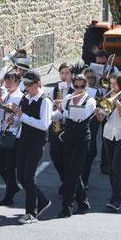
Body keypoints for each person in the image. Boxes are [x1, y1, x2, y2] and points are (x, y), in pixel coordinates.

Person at [9, 70, 52, 225]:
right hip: (24, 140)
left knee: (29, 176)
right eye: (24, 84)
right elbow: (21, 121)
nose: (26, 88)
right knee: (20, 176)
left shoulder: (45, 100)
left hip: (37, 142)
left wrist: (22, 116)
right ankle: (42, 201)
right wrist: (13, 116)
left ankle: (31, 213)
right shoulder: (25, 98)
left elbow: (44, 124)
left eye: (29, 84)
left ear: (37, 84)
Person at [52, 74, 96, 218]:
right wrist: (49, 113)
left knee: (73, 172)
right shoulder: (69, 97)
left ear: (86, 86)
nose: (78, 89)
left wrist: (61, 109)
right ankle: (83, 203)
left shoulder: (90, 101)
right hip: (69, 138)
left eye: (81, 86)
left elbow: (79, 117)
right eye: (76, 86)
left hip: (82, 138)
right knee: (71, 171)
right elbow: (59, 115)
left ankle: (67, 207)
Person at [96, 71, 121, 212]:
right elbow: (102, 118)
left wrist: (117, 103)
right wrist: (97, 112)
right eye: (111, 83)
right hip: (108, 135)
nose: (112, 86)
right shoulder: (109, 95)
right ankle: (114, 195)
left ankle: (117, 199)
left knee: (117, 167)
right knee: (111, 169)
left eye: (115, 83)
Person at [0, 69, 23, 206]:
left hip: (13, 133)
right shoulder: (4, 94)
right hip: (1, 132)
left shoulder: (18, 96)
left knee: (10, 166)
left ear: (17, 82)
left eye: (11, 81)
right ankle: (12, 186)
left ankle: (9, 195)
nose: (8, 83)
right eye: (6, 80)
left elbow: (5, 110)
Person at [48, 61, 74, 194]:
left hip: (69, 126)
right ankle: (65, 180)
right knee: (55, 155)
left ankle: (69, 184)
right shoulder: (54, 89)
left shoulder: (75, 91)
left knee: (67, 158)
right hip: (56, 126)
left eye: (67, 73)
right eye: (62, 73)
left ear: (71, 75)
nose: (64, 76)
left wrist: (61, 109)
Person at [81, 67, 101, 188]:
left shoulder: (99, 90)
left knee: (89, 151)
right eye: (87, 77)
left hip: (93, 121)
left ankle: (85, 180)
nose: (89, 80)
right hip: (80, 120)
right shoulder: (78, 89)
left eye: (91, 78)